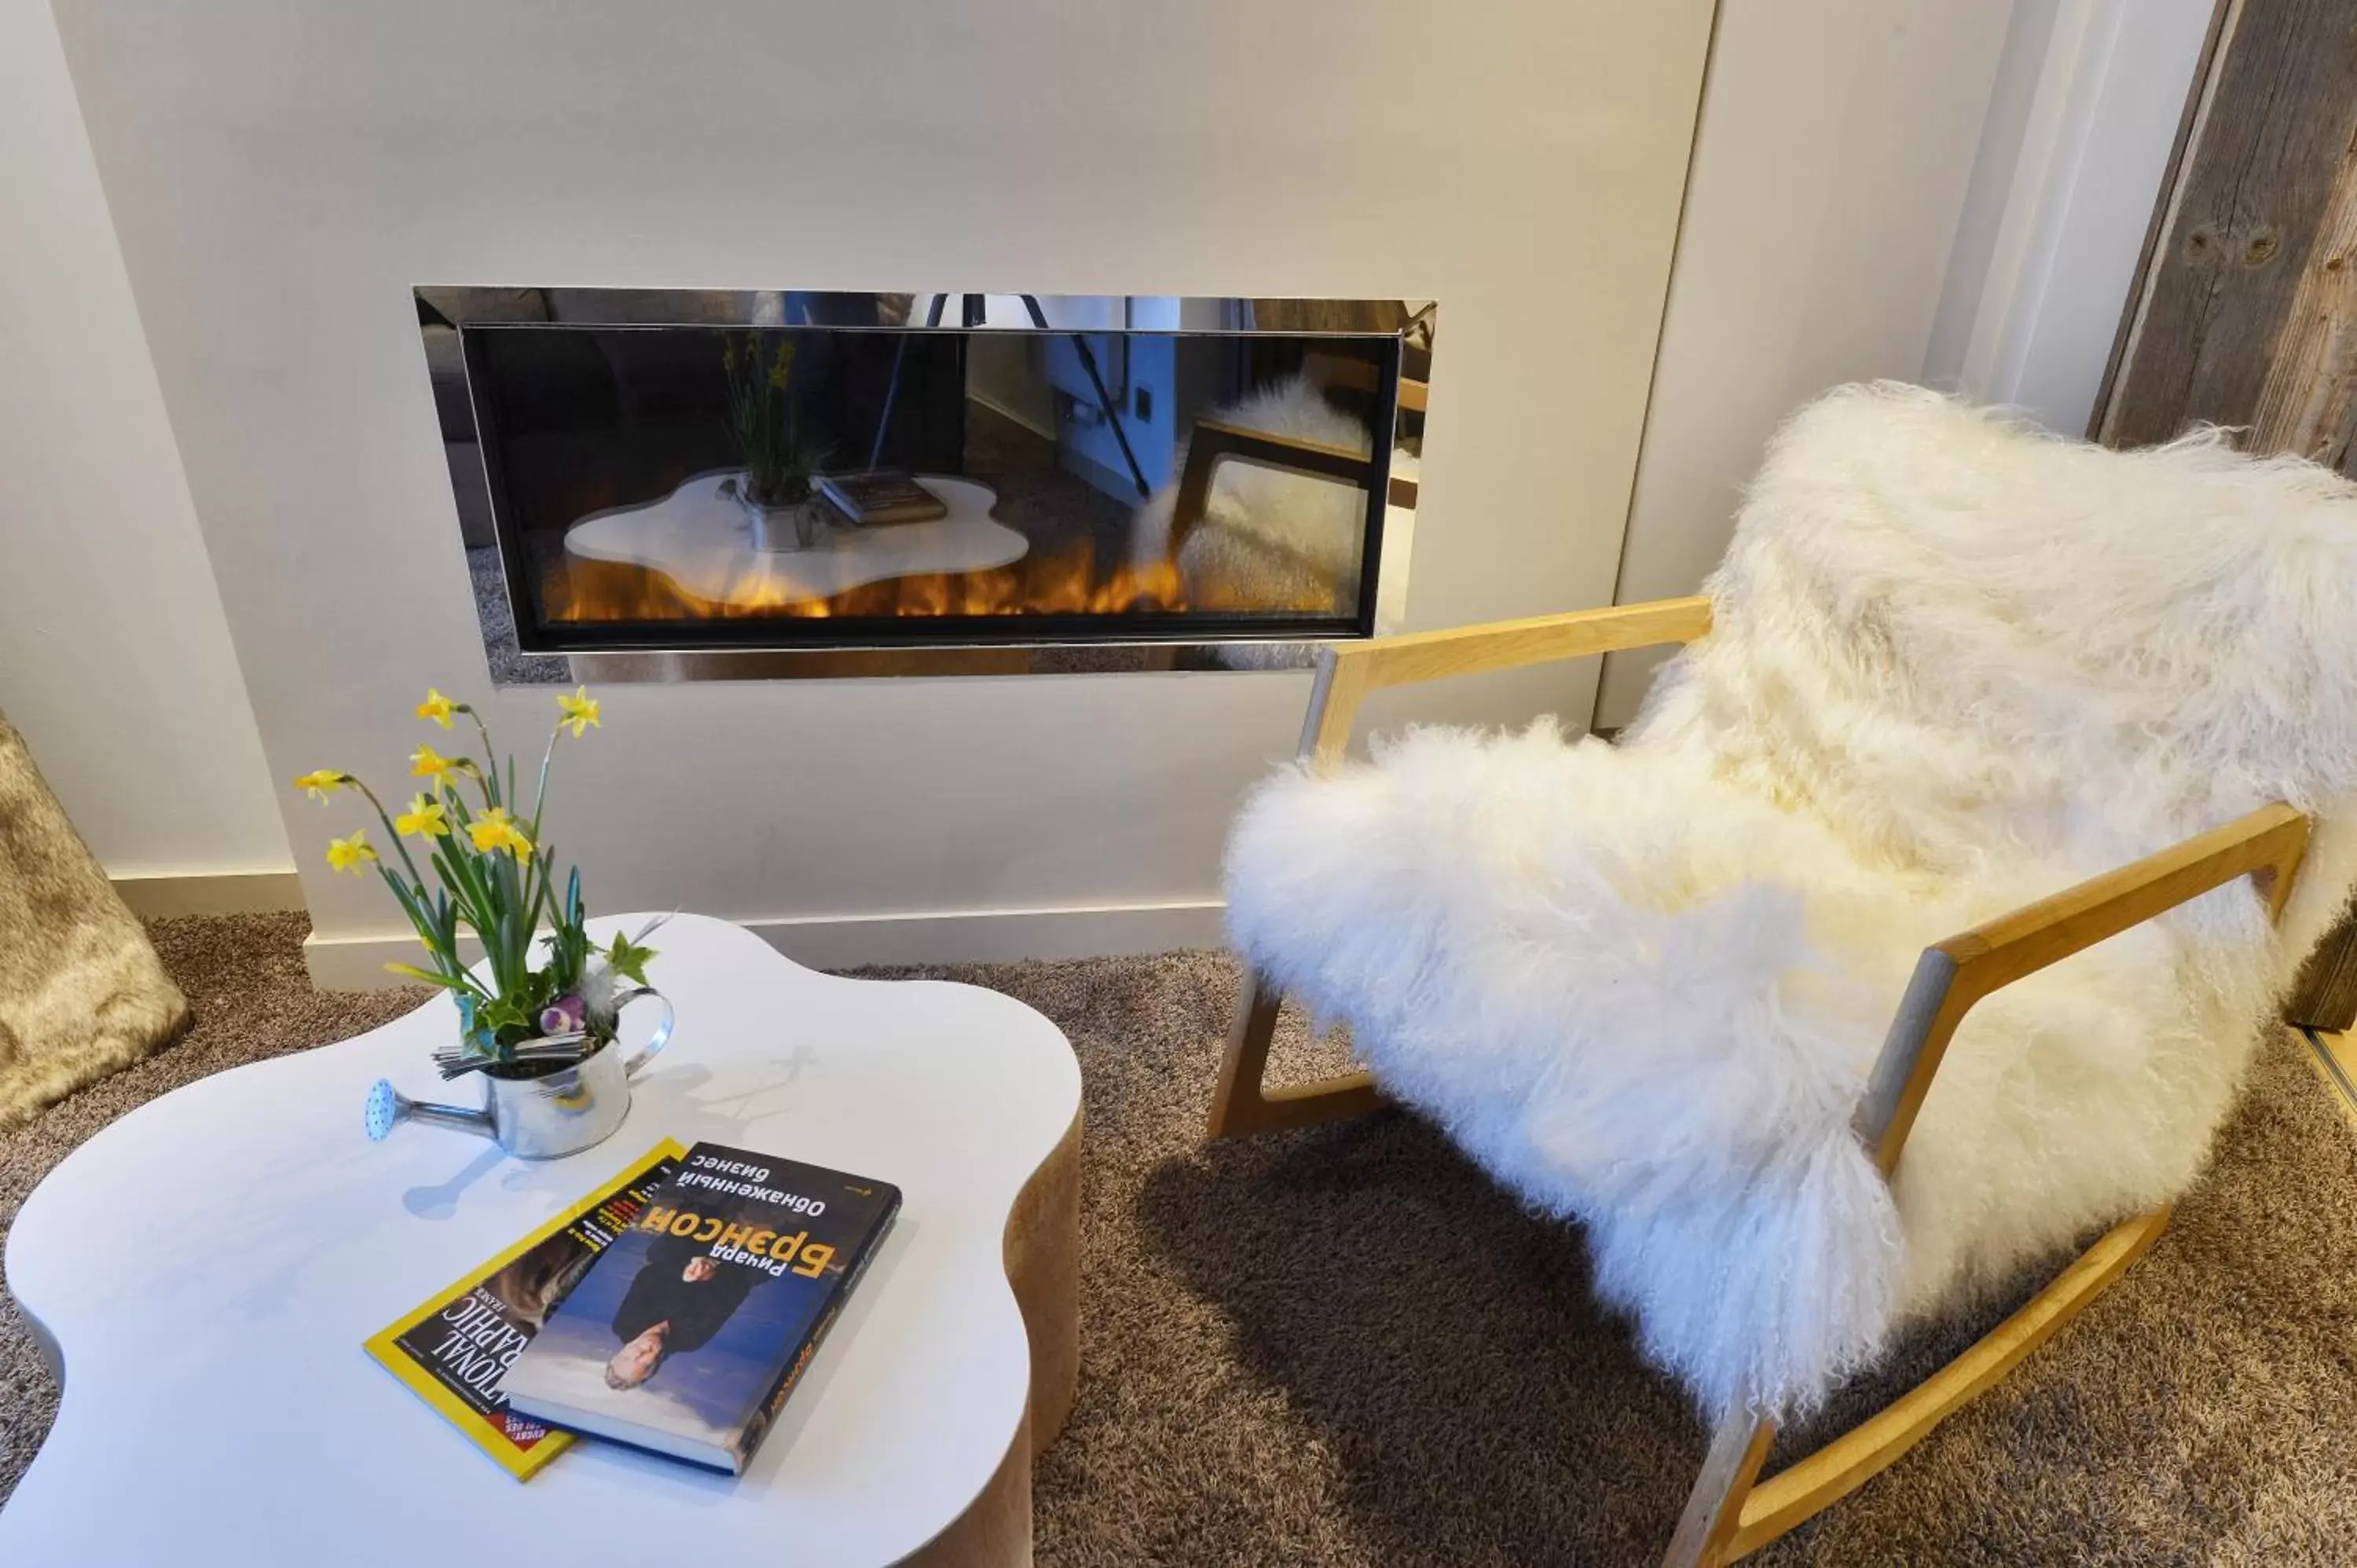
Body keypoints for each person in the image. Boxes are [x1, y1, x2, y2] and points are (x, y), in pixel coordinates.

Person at [604, 1228, 761, 1390]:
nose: (639, 1353)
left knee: (658, 1252)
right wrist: (710, 1273)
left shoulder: (624, 1324)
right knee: (756, 1274)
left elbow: (648, 1275)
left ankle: (711, 1208)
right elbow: (732, 1296)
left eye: (627, 1358)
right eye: (642, 1363)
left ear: (620, 1352)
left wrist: (683, 1273)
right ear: (654, 1365)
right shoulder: (690, 1341)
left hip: (681, 1259)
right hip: (725, 1268)